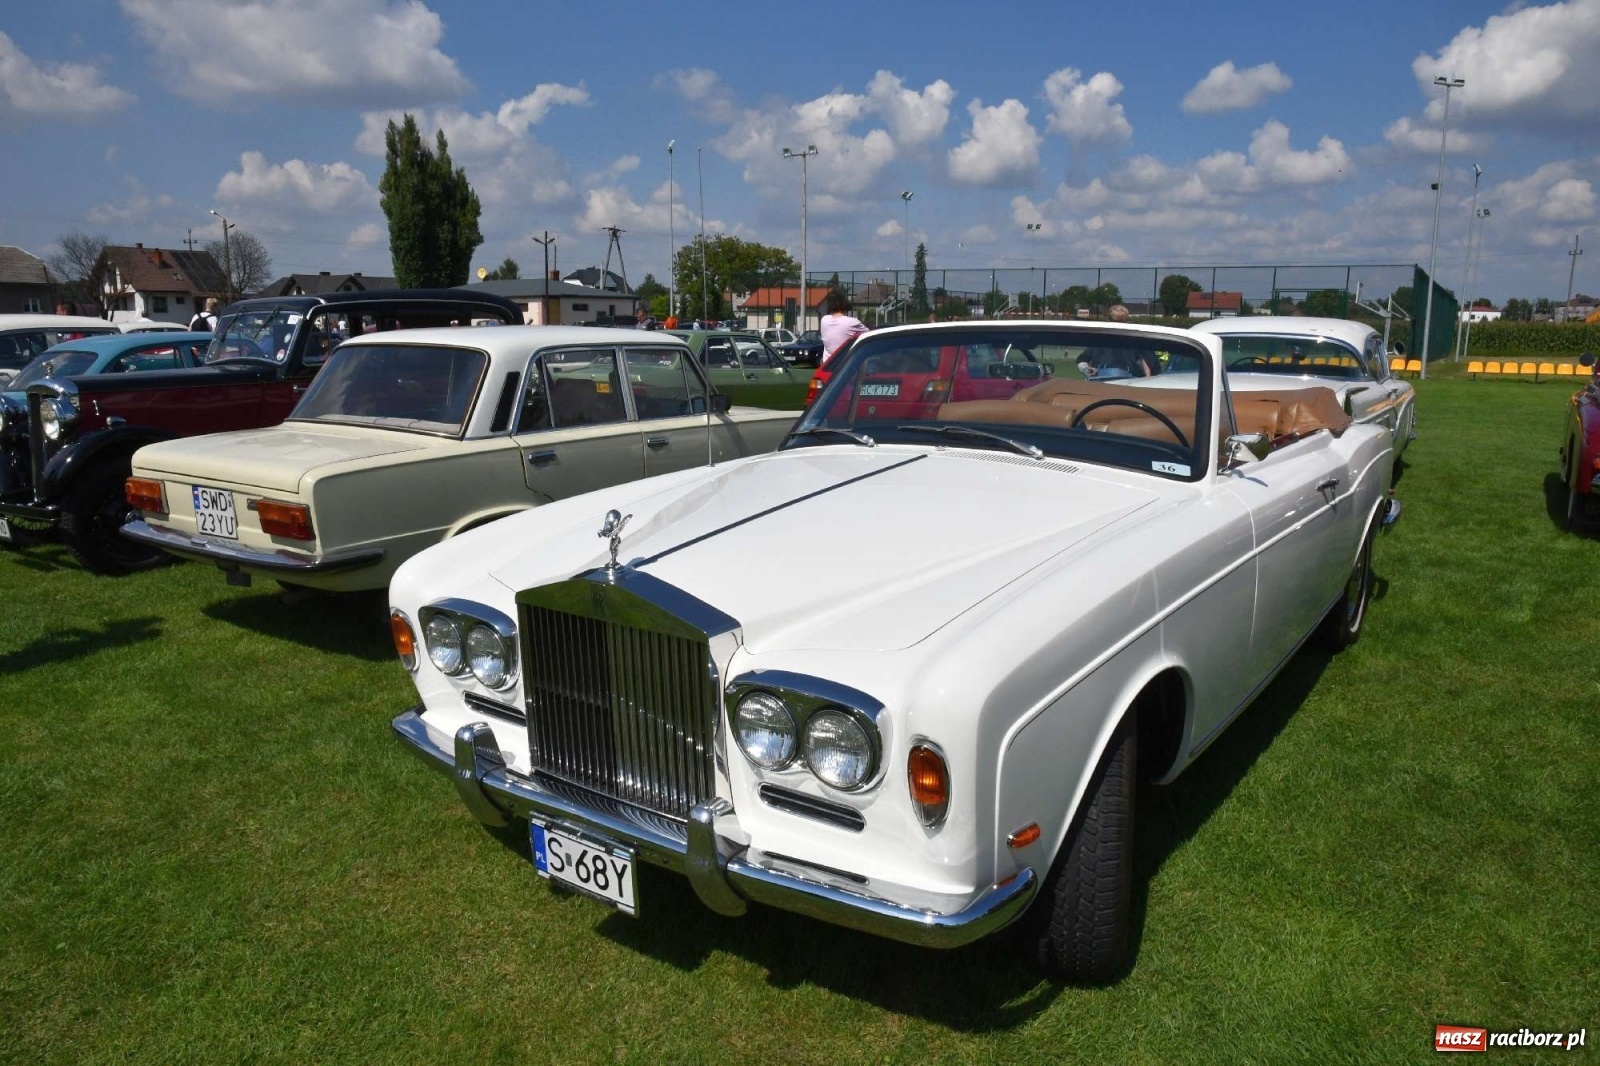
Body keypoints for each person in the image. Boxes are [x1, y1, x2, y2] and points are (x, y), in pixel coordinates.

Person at [818, 291, 867, 367]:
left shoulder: (824, 320)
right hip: (845, 365)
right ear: (845, 305)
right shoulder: (852, 322)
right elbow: (869, 334)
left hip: (827, 365)